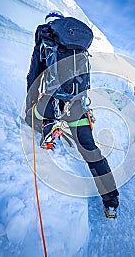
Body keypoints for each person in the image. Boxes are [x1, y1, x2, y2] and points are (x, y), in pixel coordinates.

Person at [25, 11, 119, 217]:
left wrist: (30, 106)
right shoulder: (80, 47)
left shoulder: (46, 40)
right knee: (90, 150)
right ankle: (111, 199)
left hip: (51, 102)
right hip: (77, 105)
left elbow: (34, 75)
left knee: (31, 117)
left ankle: (49, 124)